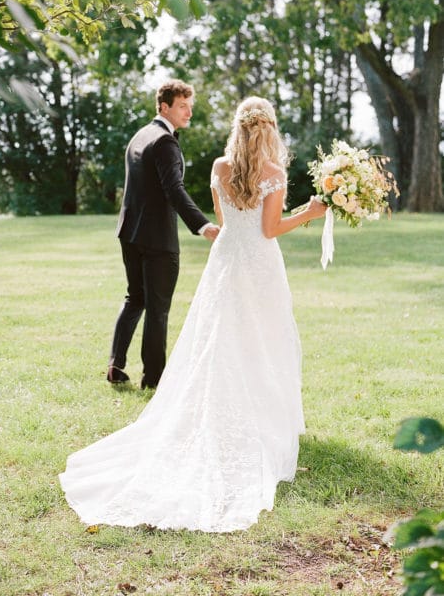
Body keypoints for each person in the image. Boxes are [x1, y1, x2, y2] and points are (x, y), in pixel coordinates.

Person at [59, 96, 327, 532]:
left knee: (219, 340)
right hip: (258, 264)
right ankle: (260, 423)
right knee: (262, 338)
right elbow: (269, 229)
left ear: (238, 128)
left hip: (226, 261)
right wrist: (310, 213)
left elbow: (226, 217)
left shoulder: (220, 168)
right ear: (270, 129)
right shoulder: (274, 174)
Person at [107, 79, 220, 390]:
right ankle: (153, 379)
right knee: (158, 309)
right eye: (182, 106)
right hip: (157, 239)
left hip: (129, 232)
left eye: (190, 106)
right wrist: (202, 224)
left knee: (135, 298)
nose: (189, 113)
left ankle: (115, 364)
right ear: (164, 106)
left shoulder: (139, 136)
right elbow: (174, 190)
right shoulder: (165, 141)